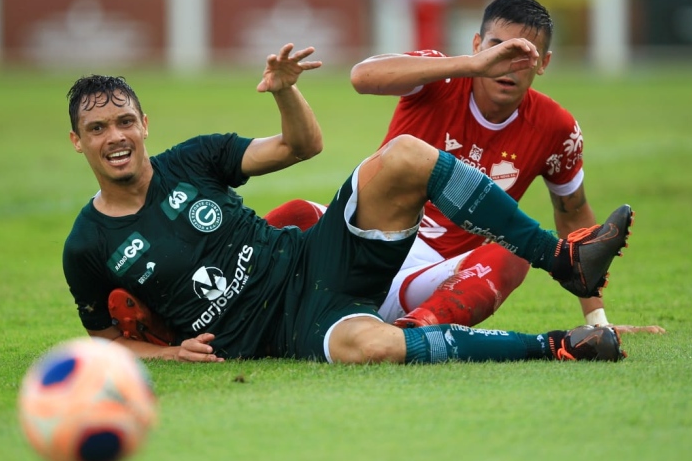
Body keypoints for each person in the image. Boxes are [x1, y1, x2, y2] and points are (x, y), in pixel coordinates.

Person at [63, 41, 632, 365]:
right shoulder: (87, 244)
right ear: (78, 141)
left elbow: (301, 146)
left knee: (407, 153)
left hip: (312, 258)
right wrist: (172, 356)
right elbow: (106, 343)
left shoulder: (191, 160)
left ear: (144, 125)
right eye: (97, 128)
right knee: (369, 347)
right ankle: (560, 346)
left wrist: (285, 89)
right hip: (276, 333)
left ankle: (565, 260)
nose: (115, 137)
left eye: (124, 121)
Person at [264, 0, 664, 334]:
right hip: (365, 245)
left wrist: (597, 318)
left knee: (514, 254)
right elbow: (362, 76)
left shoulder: (557, 128)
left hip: (432, 277)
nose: (508, 62)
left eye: (524, 55)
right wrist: (469, 66)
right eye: (497, 47)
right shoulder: (440, 76)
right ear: (476, 45)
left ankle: (414, 333)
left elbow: (574, 217)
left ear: (544, 63)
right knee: (296, 213)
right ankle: (218, 303)